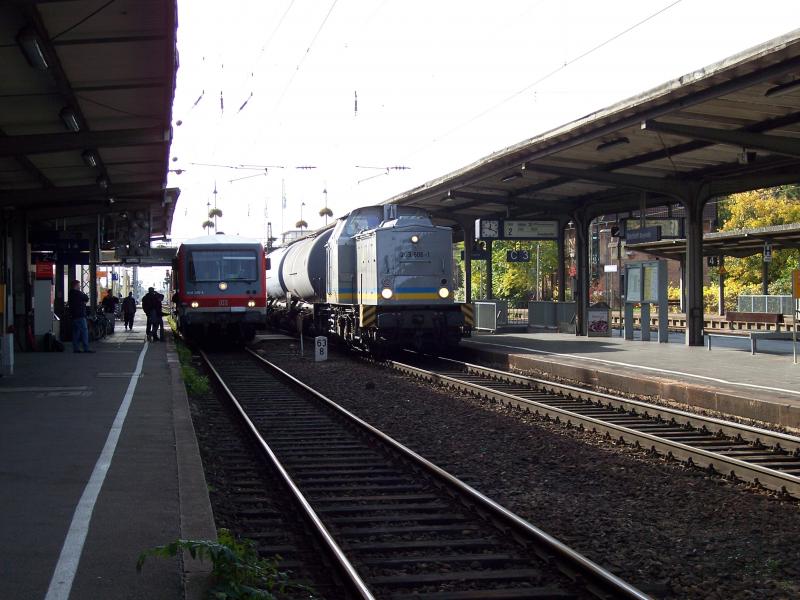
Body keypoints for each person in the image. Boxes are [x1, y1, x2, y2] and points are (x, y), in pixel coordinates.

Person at [68, 280, 94, 353]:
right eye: (79, 285)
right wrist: (82, 294)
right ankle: (86, 348)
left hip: (74, 316)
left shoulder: (70, 293)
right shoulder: (78, 293)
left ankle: (76, 348)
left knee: (76, 332)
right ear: (76, 285)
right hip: (80, 315)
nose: (79, 286)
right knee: (84, 331)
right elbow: (86, 298)